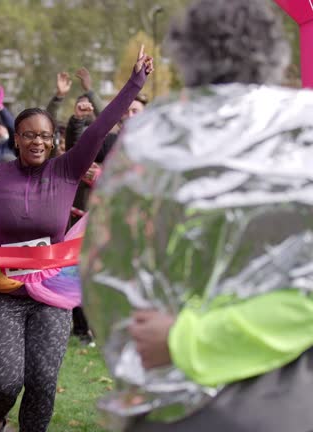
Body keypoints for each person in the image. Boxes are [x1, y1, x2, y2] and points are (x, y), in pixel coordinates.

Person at [81, 0, 312, 430]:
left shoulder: (153, 139)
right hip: (290, 393)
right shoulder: (304, 131)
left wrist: (170, 342)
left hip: (170, 387)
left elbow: (105, 269)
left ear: (184, 55)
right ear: (276, 54)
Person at [0, 48, 152, 432]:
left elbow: (102, 125)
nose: (36, 142)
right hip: (3, 291)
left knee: (41, 382)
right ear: (16, 139)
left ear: (54, 140)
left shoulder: (68, 169)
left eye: (44, 135)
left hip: (52, 293)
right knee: (5, 382)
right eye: (28, 135)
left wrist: (135, 81)